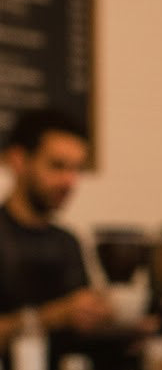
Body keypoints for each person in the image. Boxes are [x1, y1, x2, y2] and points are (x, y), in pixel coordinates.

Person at [0, 108, 112, 356]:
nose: (70, 182)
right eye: (57, 166)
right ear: (18, 160)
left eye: (76, 169)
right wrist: (51, 317)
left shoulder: (68, 242)